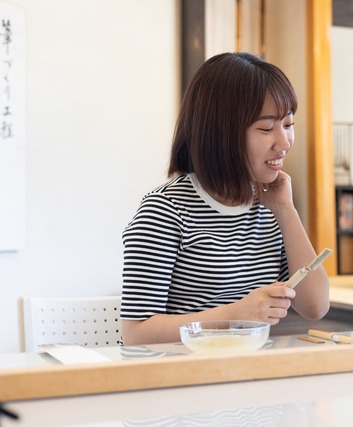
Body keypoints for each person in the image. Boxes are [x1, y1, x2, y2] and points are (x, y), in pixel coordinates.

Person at [121, 52, 330, 345]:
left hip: (243, 374)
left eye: (288, 124)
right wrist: (238, 313)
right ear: (222, 134)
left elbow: (315, 307)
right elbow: (136, 333)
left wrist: (285, 209)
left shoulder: (272, 205)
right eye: (266, 128)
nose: (283, 143)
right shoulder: (164, 210)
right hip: (179, 377)